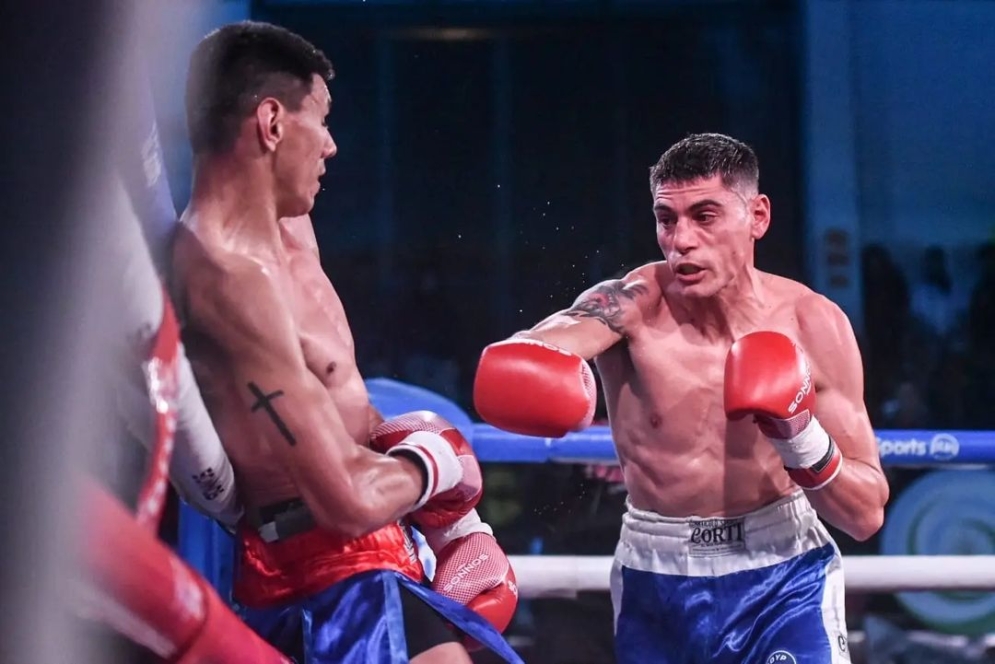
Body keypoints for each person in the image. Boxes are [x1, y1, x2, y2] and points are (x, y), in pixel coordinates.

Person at [171, 21, 520, 664]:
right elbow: (346, 498)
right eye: (321, 120)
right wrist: (441, 463)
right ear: (272, 123)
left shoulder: (289, 226)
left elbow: (337, 402)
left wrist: (453, 523)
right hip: (325, 575)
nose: (331, 146)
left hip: (379, 550)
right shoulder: (226, 281)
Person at [474, 133, 889, 663]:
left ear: (757, 216)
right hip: (656, 577)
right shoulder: (631, 306)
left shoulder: (813, 324)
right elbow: (522, 357)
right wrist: (543, 373)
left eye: (705, 215)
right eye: (666, 219)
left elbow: (865, 514)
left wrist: (799, 435)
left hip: (783, 576)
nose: (681, 240)